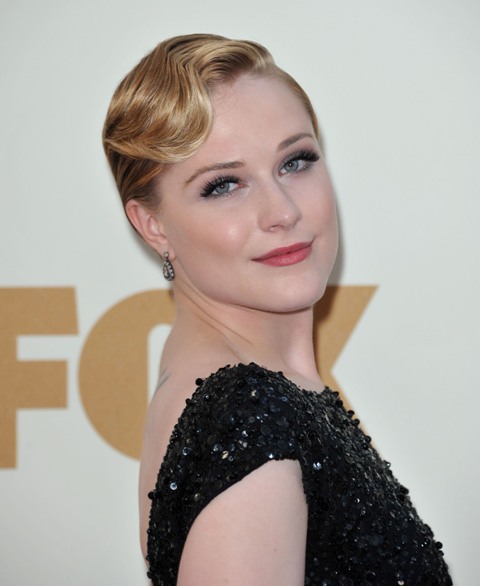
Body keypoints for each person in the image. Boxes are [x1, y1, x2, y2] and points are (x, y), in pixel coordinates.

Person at [103, 34, 452, 586]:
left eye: (295, 162)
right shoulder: (244, 414)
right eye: (224, 185)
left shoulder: (240, 388)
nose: (282, 211)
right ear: (153, 225)